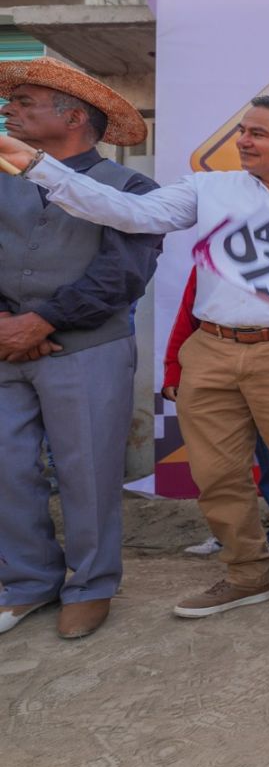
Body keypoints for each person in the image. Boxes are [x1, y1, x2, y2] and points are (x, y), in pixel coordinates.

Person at [0, 95, 269, 629]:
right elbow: (128, 212)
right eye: (242, 130)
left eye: (258, 133)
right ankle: (245, 575)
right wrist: (39, 166)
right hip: (210, 351)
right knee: (217, 476)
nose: (242, 140)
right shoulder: (207, 189)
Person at [0, 58, 161, 640]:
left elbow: (122, 275)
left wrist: (43, 321)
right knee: (7, 468)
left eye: (26, 102)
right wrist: (6, 324)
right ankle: (28, 581)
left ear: (72, 118)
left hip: (89, 349)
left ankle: (91, 584)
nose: (10, 109)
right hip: (5, 348)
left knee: (87, 472)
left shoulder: (132, 189)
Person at [163, 267, 269, 557]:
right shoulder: (209, 258)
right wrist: (173, 367)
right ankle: (230, 535)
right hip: (215, 363)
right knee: (221, 463)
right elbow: (189, 312)